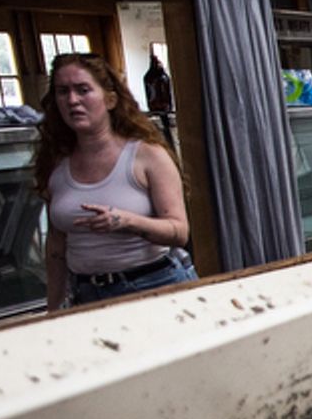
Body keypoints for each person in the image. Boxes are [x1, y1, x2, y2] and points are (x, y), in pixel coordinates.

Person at [34, 53, 194, 309]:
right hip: (85, 295)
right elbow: (56, 246)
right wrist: (53, 308)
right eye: (62, 92)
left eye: (83, 90)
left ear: (110, 99)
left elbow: (179, 232)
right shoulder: (56, 162)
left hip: (153, 287)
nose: (72, 100)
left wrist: (126, 221)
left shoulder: (147, 155)